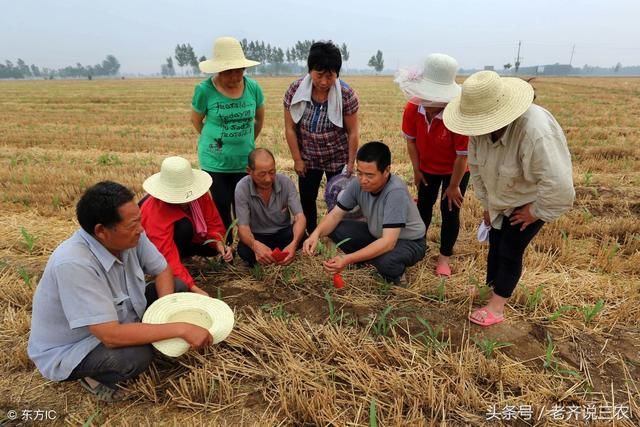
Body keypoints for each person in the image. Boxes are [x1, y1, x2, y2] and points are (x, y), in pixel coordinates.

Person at [28, 182, 213, 401]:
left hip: (121, 317)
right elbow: (110, 335)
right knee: (136, 356)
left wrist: (165, 314)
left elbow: (163, 269)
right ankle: (94, 377)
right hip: (80, 344)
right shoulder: (74, 263)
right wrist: (181, 328)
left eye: (139, 221)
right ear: (101, 231)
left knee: (177, 286)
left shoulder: (132, 235)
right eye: (133, 224)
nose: (141, 229)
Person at [443, 70, 575, 326]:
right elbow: (478, 169)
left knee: (511, 248)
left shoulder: (534, 131)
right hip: (500, 198)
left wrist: (534, 211)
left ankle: (497, 305)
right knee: (496, 243)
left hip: (529, 200)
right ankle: (491, 288)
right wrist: (488, 205)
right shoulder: (478, 130)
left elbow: (559, 185)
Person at [303, 141, 427, 285]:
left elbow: (388, 242)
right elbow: (335, 214)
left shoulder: (395, 192)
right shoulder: (357, 183)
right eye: (359, 173)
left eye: (369, 175)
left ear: (386, 171)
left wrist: (347, 259)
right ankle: (369, 258)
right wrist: (315, 234)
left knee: (386, 261)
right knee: (337, 228)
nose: (363, 180)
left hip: (408, 241)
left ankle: (396, 274)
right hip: (376, 234)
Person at [395, 53, 470, 278]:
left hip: (455, 170)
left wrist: (454, 185)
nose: (428, 104)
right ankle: (418, 246)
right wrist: (417, 170)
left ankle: (444, 257)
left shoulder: (458, 115)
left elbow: (462, 156)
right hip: (426, 167)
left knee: (450, 211)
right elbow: (411, 141)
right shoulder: (412, 109)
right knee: (423, 208)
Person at [191, 36, 265, 244]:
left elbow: (259, 120)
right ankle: (227, 247)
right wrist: (217, 143)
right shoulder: (204, 90)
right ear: (218, 70)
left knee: (242, 204)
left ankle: (247, 244)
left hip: (243, 160)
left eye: (239, 70)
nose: (235, 76)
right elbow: (197, 121)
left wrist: (245, 143)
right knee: (222, 205)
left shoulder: (253, 88)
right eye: (228, 71)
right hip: (215, 162)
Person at [284, 41, 360, 236]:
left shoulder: (346, 94)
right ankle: (310, 234)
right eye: (319, 75)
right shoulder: (295, 90)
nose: (324, 82)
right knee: (307, 198)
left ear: (337, 74)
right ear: (310, 70)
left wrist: (350, 163)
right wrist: (297, 159)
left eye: (330, 76)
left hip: (337, 156)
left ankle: (334, 236)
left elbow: (353, 132)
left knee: (338, 198)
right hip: (308, 157)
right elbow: (290, 128)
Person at [140, 156, 234, 295]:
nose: (185, 201)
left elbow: (213, 223)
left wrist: (218, 243)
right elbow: (165, 256)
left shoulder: (199, 195)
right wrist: (193, 288)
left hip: (191, 239)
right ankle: (181, 260)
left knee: (211, 249)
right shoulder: (154, 211)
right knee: (184, 227)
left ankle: (186, 255)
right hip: (160, 249)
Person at [235, 148, 306, 266]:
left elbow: (300, 217)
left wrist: (293, 243)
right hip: (258, 236)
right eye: (262, 174)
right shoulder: (242, 188)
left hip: (283, 233)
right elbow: (243, 227)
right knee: (244, 250)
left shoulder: (286, 182)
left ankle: (282, 254)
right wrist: (254, 245)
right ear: (249, 171)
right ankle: (268, 256)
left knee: (301, 236)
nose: (268, 179)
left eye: (272, 172)